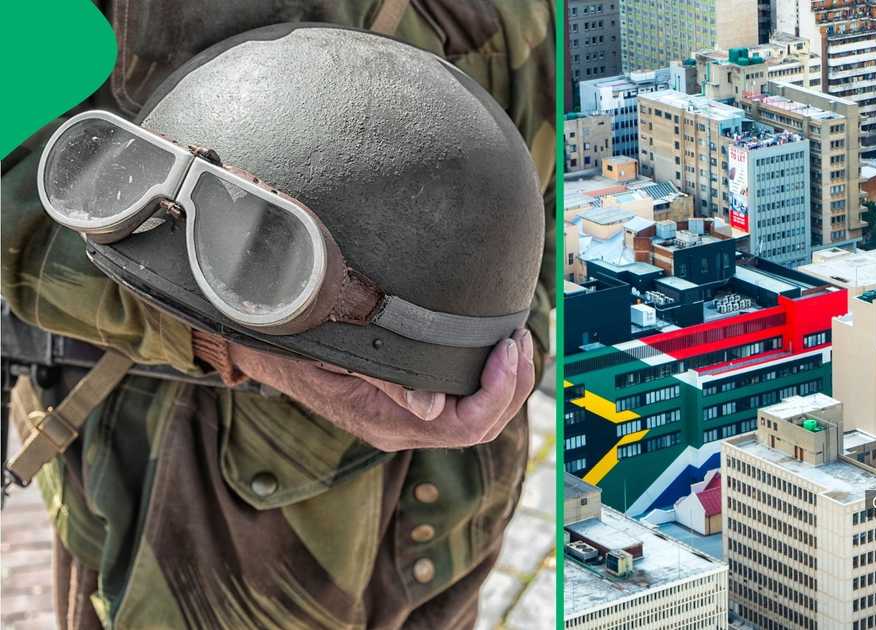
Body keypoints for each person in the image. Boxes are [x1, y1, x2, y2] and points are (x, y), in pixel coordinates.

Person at [0, 3, 554, 628]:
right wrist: (241, 339)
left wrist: (511, 354)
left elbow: (547, 159)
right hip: (201, 503)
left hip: (453, 507)